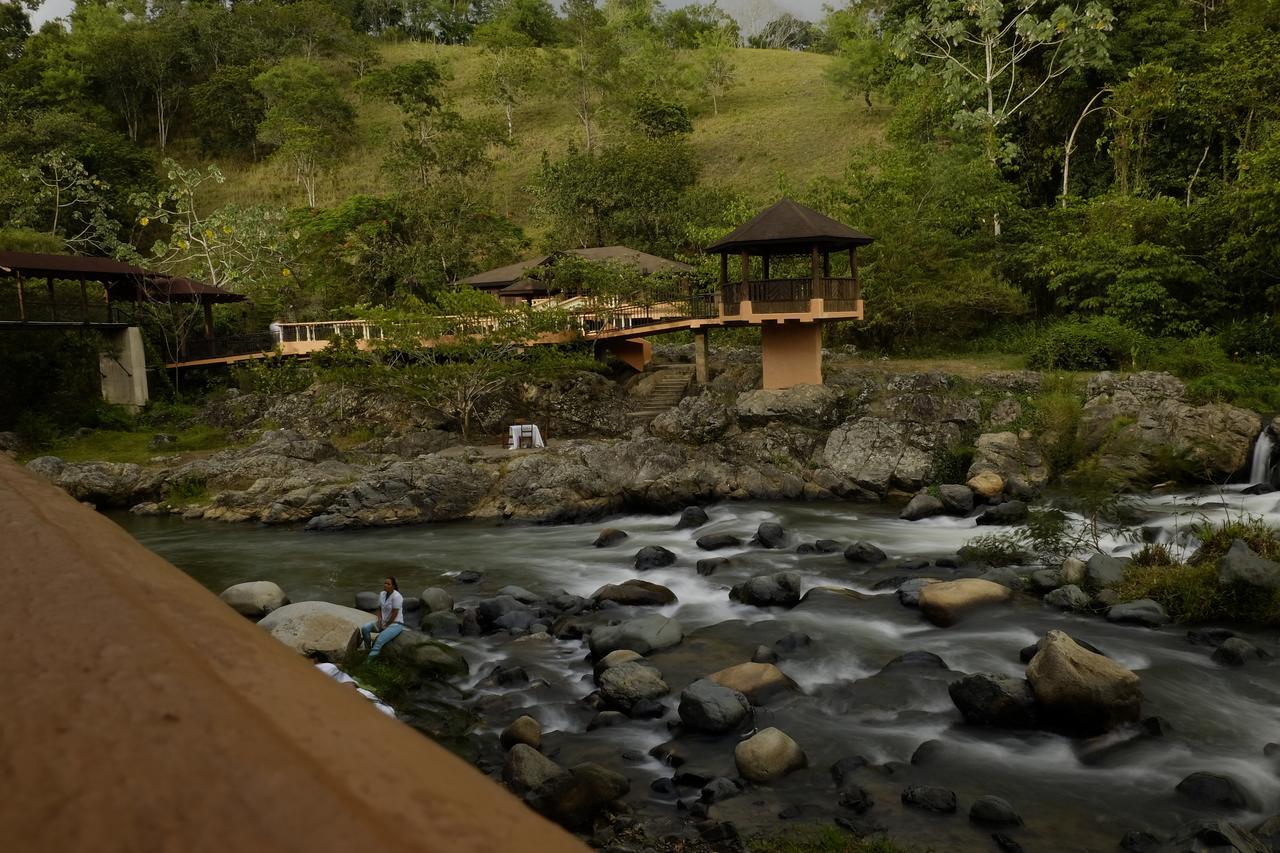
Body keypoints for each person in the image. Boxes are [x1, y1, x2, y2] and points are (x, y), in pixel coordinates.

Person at [360, 576, 405, 659]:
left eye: (388, 584)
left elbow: (394, 613)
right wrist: (379, 619)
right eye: (385, 583)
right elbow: (380, 608)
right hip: (383, 622)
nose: (385, 585)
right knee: (365, 628)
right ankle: (368, 649)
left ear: (393, 586)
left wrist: (386, 625)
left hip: (395, 624)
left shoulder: (397, 596)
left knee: (378, 641)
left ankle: (368, 663)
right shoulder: (382, 594)